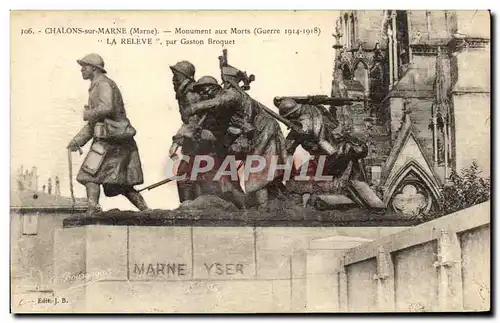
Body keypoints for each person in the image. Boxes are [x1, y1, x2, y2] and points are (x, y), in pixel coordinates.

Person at [185, 68, 287, 208]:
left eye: (204, 90)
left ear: (215, 88)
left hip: (262, 130)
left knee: (257, 170)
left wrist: (195, 107)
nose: (202, 94)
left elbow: (220, 101)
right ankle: (270, 201)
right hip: (253, 133)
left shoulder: (231, 94)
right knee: (260, 167)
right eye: (200, 92)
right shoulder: (221, 106)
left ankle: (263, 207)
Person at [67, 53, 149, 215]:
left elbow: (106, 108)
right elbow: (95, 123)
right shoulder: (97, 85)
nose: (82, 70)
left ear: (94, 68)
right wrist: (78, 140)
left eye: (85, 66)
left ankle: (92, 210)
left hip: (112, 140)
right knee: (120, 183)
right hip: (111, 140)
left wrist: (87, 113)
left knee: (89, 175)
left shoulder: (103, 84)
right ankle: (145, 210)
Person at [277, 98, 368, 205]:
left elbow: (288, 150)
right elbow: (288, 150)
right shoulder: (318, 114)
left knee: (299, 180)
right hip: (338, 156)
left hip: (333, 158)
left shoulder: (306, 124)